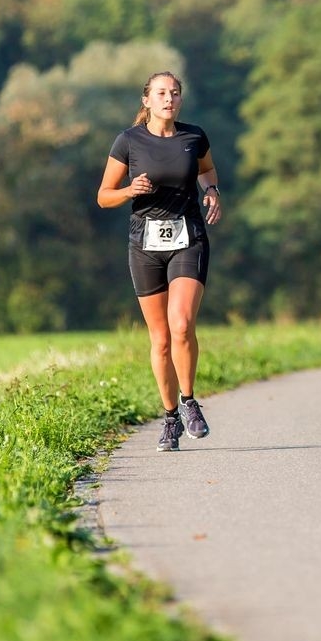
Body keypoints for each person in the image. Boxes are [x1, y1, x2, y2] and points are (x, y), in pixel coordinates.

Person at [97, 71, 221, 452]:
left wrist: (212, 190)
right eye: (162, 93)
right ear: (147, 100)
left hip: (189, 238)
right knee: (161, 338)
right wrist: (130, 189)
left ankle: (189, 402)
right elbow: (103, 196)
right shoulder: (128, 141)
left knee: (182, 324)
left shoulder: (193, 137)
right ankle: (169, 418)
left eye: (176, 92)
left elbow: (207, 171)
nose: (170, 98)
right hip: (145, 242)